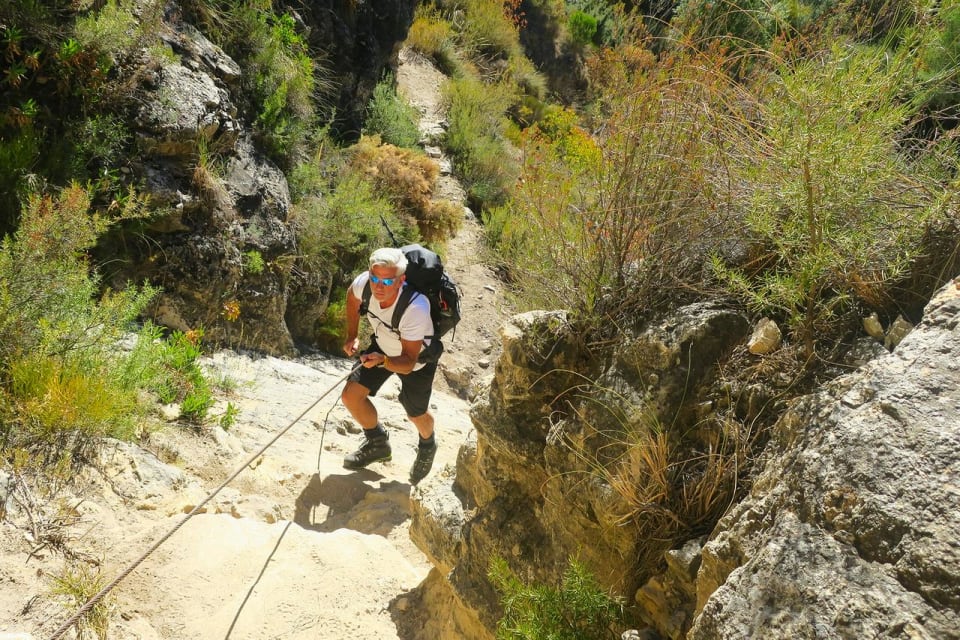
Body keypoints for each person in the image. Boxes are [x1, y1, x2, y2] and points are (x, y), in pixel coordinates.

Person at [341, 247, 438, 484]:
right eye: (375, 278)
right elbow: (352, 298)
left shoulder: (415, 308)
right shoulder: (364, 284)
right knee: (351, 396)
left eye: (387, 280)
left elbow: (407, 363)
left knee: (415, 413)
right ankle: (378, 444)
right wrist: (352, 335)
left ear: (401, 280)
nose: (379, 286)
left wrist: (383, 361)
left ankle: (428, 445)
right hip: (383, 347)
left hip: (416, 362)